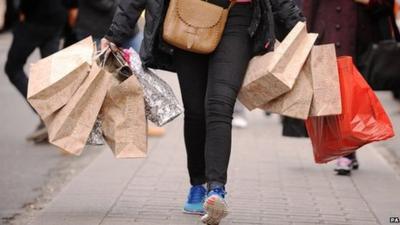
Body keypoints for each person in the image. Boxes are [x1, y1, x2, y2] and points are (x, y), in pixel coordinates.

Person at [101, 0, 304, 224]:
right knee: (196, 111)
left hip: (237, 17)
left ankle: (216, 189)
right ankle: (197, 184)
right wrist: (115, 34)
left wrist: (298, 30)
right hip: (187, 14)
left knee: (220, 104)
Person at [303, 0, 400, 175]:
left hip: (361, 39)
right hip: (327, 33)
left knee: (353, 97)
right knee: (334, 96)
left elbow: (386, 5)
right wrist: (304, 35)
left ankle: (348, 150)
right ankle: (345, 151)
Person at [4, 0, 68, 143]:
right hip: (56, 16)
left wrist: (16, 15)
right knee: (48, 71)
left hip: (34, 19)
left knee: (13, 68)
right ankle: (53, 118)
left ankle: (47, 114)